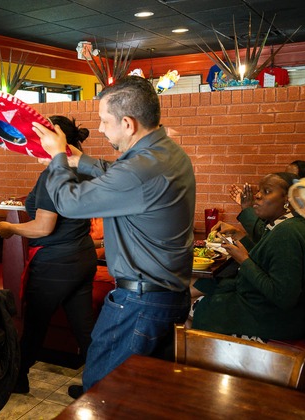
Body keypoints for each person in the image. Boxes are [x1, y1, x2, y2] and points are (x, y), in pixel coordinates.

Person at [34, 76, 196, 396]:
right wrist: (79, 160)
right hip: (168, 294)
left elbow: (70, 203)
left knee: (103, 391)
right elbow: (120, 174)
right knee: (143, 393)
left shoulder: (138, 170)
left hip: (141, 301)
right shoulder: (167, 152)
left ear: (127, 123)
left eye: (105, 121)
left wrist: (55, 160)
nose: (101, 129)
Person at [0, 116, 97, 393]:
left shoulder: (54, 173)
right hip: (83, 257)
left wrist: (9, 228)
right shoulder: (84, 167)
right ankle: (101, 384)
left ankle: (16, 378)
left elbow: (43, 226)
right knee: (85, 328)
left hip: (56, 263)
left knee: (35, 324)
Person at [192, 173, 305, 340]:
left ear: (288, 200)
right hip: (265, 308)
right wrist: (239, 235)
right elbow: (267, 259)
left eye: (266, 191)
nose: (257, 195)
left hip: (271, 319)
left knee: (192, 310)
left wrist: (244, 260)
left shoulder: (288, 233)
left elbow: (283, 297)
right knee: (201, 294)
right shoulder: (289, 225)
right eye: (259, 190)